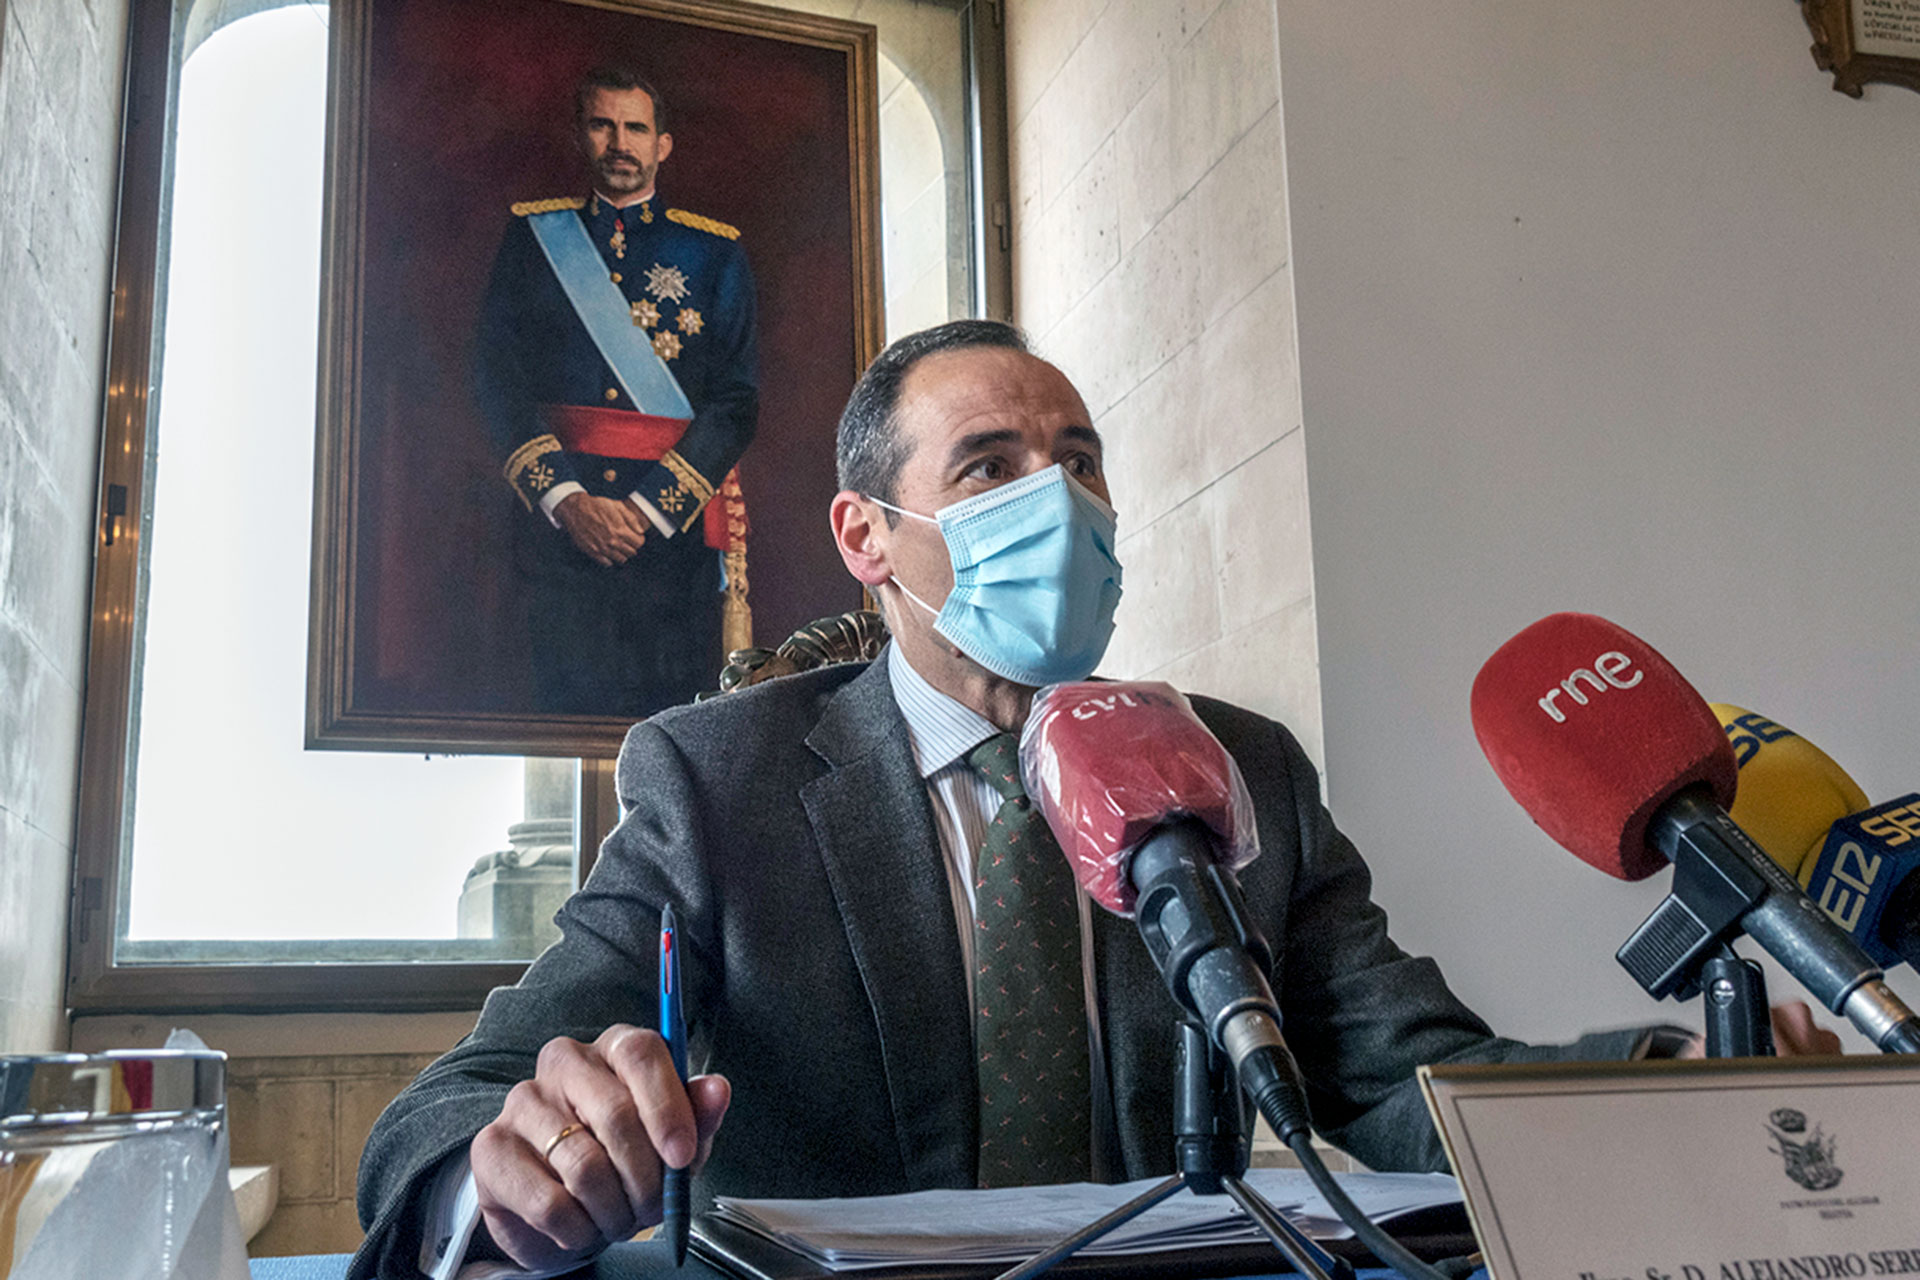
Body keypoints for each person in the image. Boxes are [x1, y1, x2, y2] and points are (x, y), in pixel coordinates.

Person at [354, 321, 1838, 1279]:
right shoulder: (718, 775)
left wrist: (1659, 1080)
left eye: (1080, 463)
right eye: (992, 467)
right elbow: (451, 1112)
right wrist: (507, 1175)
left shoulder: (1236, 767)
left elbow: (1402, 1081)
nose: (1056, 503)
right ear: (868, 537)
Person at [474, 66, 757, 718]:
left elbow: (735, 400)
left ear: (663, 145)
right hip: (557, 537)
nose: (620, 142)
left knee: (674, 725)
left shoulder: (714, 253)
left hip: (673, 539)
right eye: (604, 125)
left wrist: (650, 508)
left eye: (636, 128)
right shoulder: (532, 240)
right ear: (581, 136)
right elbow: (498, 377)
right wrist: (567, 499)